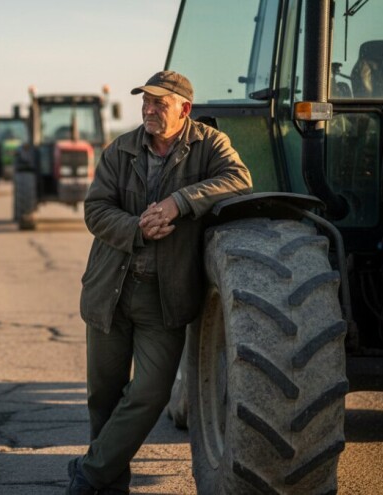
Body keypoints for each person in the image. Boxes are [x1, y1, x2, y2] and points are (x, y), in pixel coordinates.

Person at [68, 70, 253, 494]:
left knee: (150, 394)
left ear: (185, 109)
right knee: (104, 398)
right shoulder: (120, 149)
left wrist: (178, 202)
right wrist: (137, 228)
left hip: (164, 298)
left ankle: (89, 473)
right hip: (110, 291)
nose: (149, 110)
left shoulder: (210, 144)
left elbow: (239, 179)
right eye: (145, 102)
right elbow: (95, 210)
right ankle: (107, 485)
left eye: (159, 103)